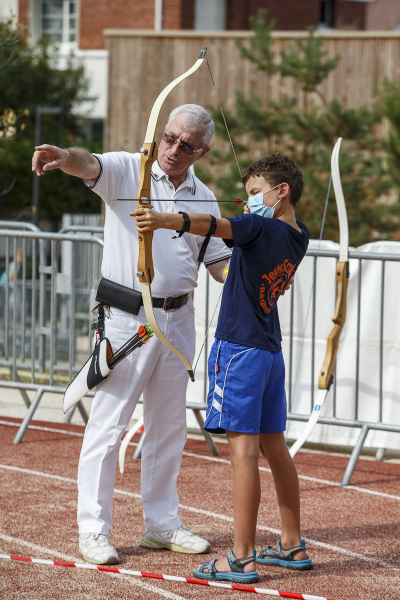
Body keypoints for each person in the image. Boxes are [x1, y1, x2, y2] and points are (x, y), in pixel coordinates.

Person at [31, 104, 233, 565]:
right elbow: (91, 165)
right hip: (128, 317)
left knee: (168, 427)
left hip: (178, 319)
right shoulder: (130, 169)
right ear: (160, 134)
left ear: (200, 152)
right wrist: (64, 155)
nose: (174, 149)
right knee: (109, 423)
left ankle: (161, 525)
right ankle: (93, 528)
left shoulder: (204, 196)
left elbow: (219, 264)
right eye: (169, 138)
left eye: (186, 145)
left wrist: (265, 265)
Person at [133, 153, 311, 583]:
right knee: (275, 447)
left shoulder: (258, 225)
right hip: (269, 352)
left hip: (241, 351)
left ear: (281, 191)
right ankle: (291, 544)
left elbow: (215, 226)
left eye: (254, 193)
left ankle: (241, 557)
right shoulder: (299, 235)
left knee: (244, 454)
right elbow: (239, 260)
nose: (248, 201)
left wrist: (162, 220)